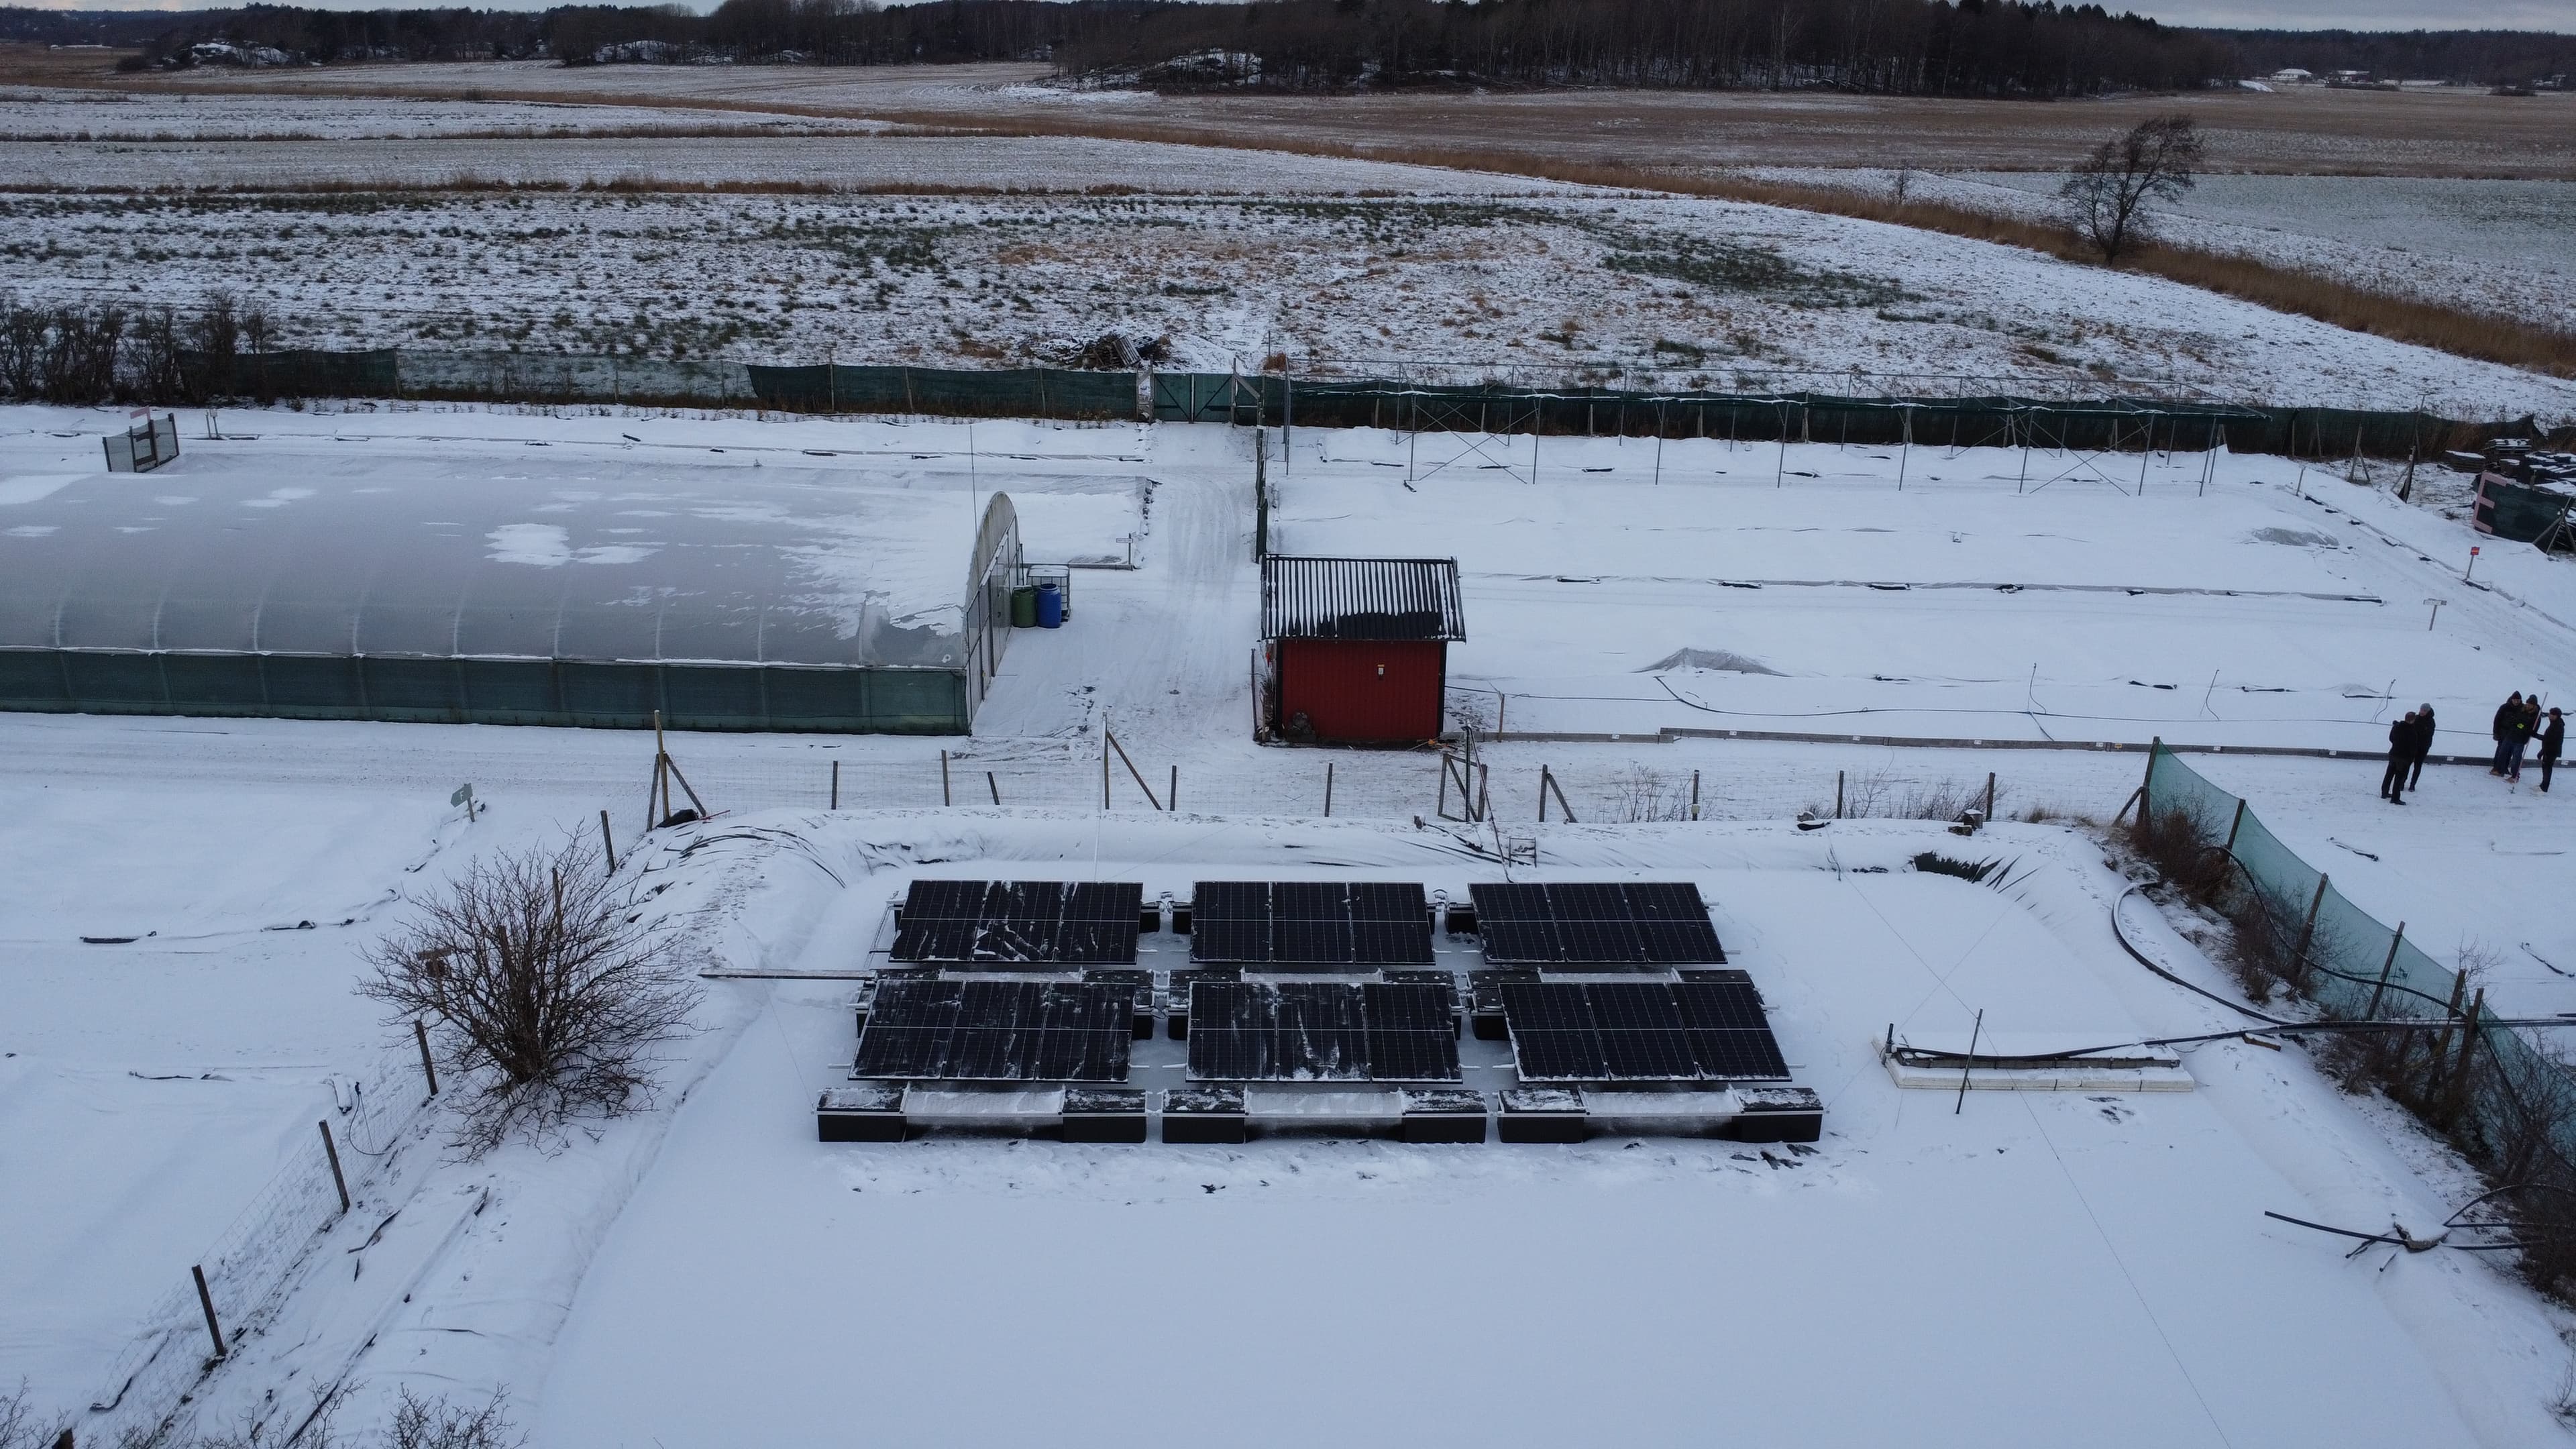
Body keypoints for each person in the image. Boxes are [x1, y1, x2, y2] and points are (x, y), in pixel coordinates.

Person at [2381, 708, 2417, 803]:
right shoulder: (2412, 732)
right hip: (2403, 758)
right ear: (2412, 720)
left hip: (2393, 754)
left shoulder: (2397, 727)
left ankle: (2384, 792)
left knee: (2389, 774)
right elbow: (2413, 747)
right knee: (2399, 778)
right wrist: (2411, 758)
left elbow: (2391, 738)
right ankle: (2395, 798)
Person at [2508, 693, 2541, 782]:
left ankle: (2515, 775)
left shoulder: (2536, 716)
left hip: (2521, 739)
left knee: (2516, 759)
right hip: (2512, 736)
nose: (2527, 705)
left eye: (2530, 704)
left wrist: (2522, 727)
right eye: (2527, 703)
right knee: (2506, 754)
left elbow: (2532, 730)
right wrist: (2518, 725)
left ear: (2534, 706)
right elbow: (2516, 721)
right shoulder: (2521, 710)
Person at [2493, 692, 2526, 775]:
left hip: (2514, 734)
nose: (2516, 702)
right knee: (2500, 750)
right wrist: (2495, 732)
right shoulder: (2505, 707)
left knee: (2510, 752)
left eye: (2518, 700)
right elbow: (2497, 720)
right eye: (2515, 700)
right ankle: (2496, 767)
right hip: (2503, 733)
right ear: (2512, 699)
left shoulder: (2522, 709)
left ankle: (2505, 767)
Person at [2407, 703, 2436, 790]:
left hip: (2423, 747)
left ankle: (2412, 785)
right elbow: (2408, 726)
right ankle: (2402, 783)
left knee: (2418, 766)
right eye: (2421, 710)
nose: (2422, 712)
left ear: (2428, 711)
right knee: (2407, 764)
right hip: (2413, 746)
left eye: (2424, 711)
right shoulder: (2416, 718)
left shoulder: (2431, 721)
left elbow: (2428, 734)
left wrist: (2418, 732)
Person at [2540, 707, 2565, 794]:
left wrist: (2542, 751)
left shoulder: (2557, 726)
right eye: (2550, 714)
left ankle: (2544, 787)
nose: (2549, 715)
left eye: (2551, 714)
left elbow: (2549, 739)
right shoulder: (2554, 724)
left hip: (2551, 750)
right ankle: (2543, 784)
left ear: (2556, 716)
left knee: (2547, 767)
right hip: (2550, 749)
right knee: (2546, 767)